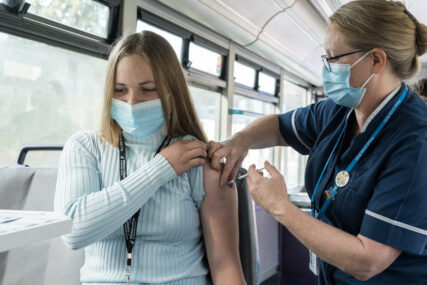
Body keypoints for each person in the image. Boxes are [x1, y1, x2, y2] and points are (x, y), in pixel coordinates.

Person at [208, 0, 427, 283]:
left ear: (375, 60)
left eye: (334, 58)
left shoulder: (416, 141)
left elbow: (368, 261)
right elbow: (278, 127)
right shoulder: (340, 110)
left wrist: (279, 207)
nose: (326, 68)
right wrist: (241, 139)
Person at [54, 31, 245, 285]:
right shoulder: (85, 148)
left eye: (147, 90)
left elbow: (226, 268)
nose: (132, 102)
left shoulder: (201, 161)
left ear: (171, 91)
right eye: (120, 90)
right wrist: (161, 169)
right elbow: (73, 232)